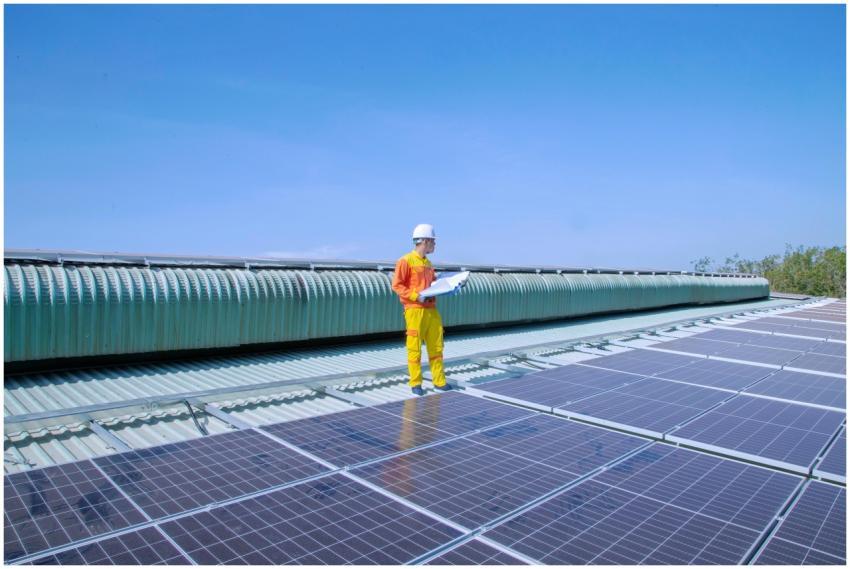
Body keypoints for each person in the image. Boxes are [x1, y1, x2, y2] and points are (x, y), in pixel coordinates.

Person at [391, 223, 452, 396]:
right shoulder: (405, 261)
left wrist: (448, 285)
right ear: (424, 241)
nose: (434, 245)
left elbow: (432, 286)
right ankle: (416, 383)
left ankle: (439, 381)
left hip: (431, 310)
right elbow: (397, 285)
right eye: (433, 241)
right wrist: (414, 296)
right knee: (414, 348)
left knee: (436, 347)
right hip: (414, 310)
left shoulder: (428, 264)